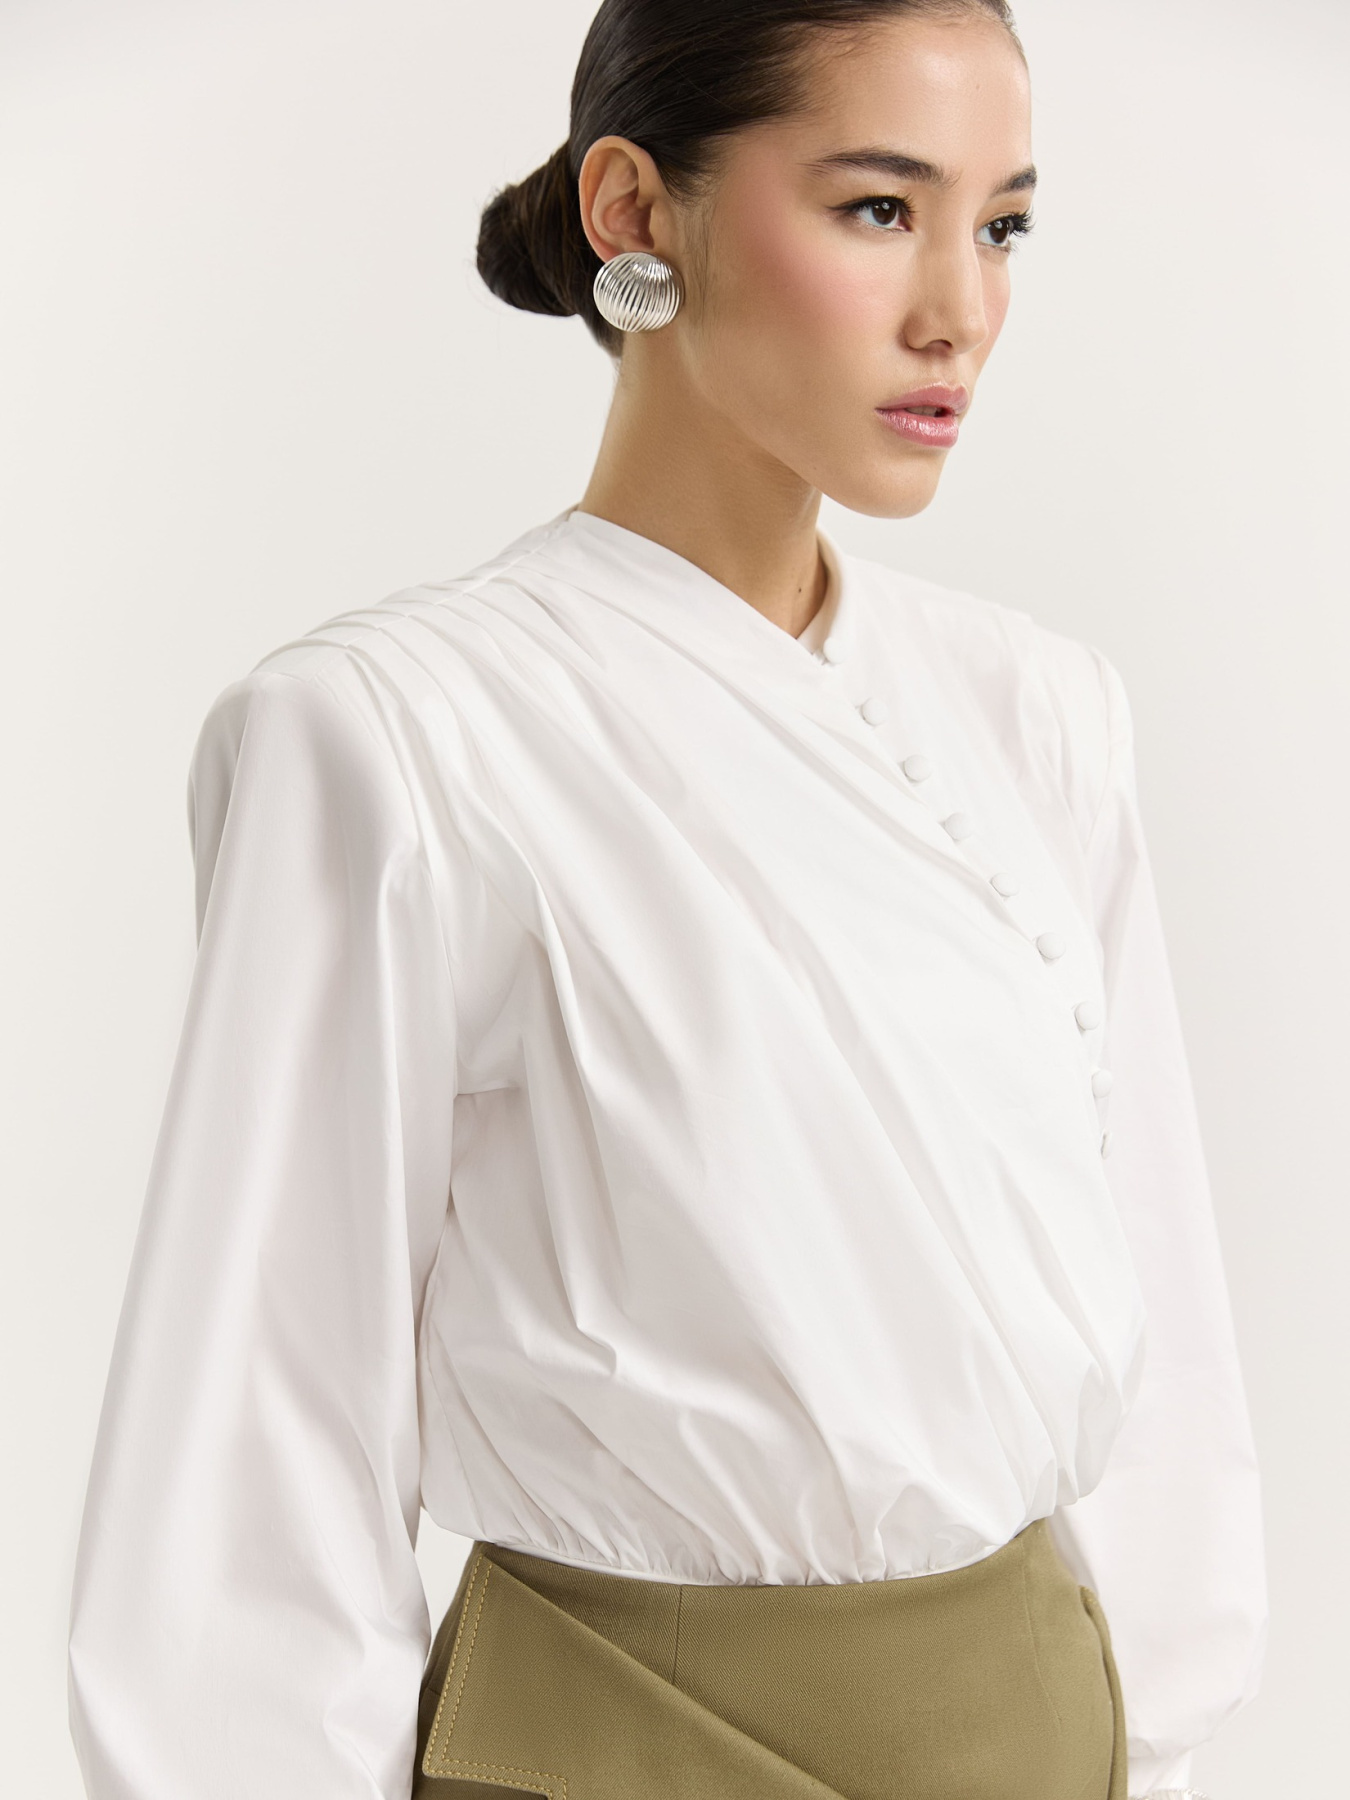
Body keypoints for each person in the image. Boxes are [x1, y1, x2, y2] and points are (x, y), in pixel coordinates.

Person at [66, 2, 1267, 1797]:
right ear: (634, 211)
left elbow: (1158, 1312)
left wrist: (1155, 1734)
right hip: (619, 1742)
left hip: (1046, 1733)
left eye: (1003, 223)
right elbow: (261, 1421)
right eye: (878, 209)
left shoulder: (1037, 712)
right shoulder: (398, 734)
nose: (960, 308)